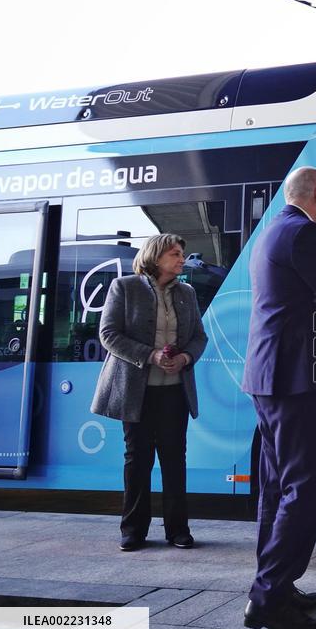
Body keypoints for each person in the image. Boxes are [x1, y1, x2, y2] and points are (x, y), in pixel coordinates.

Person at [241, 166, 316, 629]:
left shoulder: (271, 234)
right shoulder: (307, 234)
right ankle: (268, 598)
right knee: (306, 489)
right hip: (297, 380)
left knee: (277, 487)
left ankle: (275, 584)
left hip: (270, 378)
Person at [91, 233, 207, 552]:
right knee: (137, 459)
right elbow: (108, 335)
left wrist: (184, 358)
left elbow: (199, 337)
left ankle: (178, 531)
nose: (181, 259)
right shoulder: (124, 288)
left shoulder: (187, 292)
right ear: (156, 257)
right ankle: (133, 531)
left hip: (174, 392)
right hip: (136, 392)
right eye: (175, 253)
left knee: (174, 460)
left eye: (181, 253)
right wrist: (150, 355)